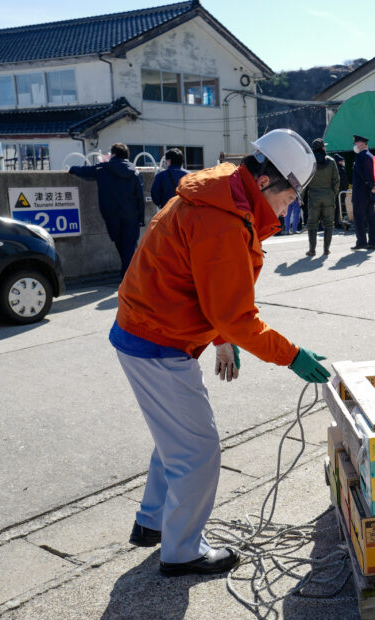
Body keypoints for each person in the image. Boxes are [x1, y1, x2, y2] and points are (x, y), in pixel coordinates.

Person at [113, 128, 330, 577]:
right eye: (291, 196)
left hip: (149, 329)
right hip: (157, 340)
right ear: (267, 181)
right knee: (198, 449)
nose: (291, 207)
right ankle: (182, 550)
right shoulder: (224, 219)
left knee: (175, 440)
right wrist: (292, 356)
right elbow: (234, 313)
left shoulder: (224, 190)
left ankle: (152, 523)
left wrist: (220, 338)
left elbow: (197, 282)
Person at [68, 143, 145, 278]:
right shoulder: (134, 171)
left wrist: (71, 169)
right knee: (129, 246)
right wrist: (141, 218)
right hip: (131, 215)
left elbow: (84, 171)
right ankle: (128, 276)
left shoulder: (102, 168)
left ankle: (127, 276)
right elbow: (140, 196)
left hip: (111, 215)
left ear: (113, 154)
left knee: (121, 245)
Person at [303, 138, 339, 256]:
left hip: (313, 197)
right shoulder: (331, 161)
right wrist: (332, 193)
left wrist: (301, 197)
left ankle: (312, 250)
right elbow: (336, 181)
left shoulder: (309, 162)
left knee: (312, 224)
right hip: (328, 196)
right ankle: (326, 249)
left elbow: (305, 181)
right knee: (329, 223)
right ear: (322, 148)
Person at [350, 134, 375, 251]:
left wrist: (370, 184)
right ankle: (373, 242)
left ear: (361, 145)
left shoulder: (360, 157)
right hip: (370, 193)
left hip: (360, 193)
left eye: (355, 144)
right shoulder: (373, 157)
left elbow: (363, 174)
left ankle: (362, 242)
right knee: (371, 218)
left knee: (359, 218)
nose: (354, 146)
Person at [333, 153, 349, 228]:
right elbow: (344, 180)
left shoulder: (333, 168)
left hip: (334, 191)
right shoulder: (341, 169)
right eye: (342, 161)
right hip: (341, 190)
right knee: (340, 207)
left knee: (335, 207)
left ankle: (335, 221)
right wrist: (346, 189)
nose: (343, 162)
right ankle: (338, 222)